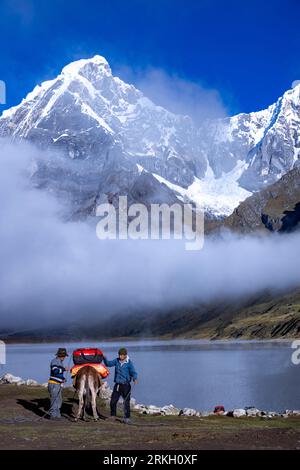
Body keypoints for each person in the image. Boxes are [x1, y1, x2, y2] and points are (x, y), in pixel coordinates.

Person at [103, 347, 138, 424]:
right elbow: (108, 364)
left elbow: (133, 372)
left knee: (126, 402)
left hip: (126, 385)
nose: (120, 357)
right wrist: (104, 358)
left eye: (122, 355)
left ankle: (127, 418)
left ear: (125, 355)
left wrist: (135, 378)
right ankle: (112, 416)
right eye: (119, 355)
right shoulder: (116, 361)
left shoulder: (129, 363)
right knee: (113, 401)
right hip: (117, 385)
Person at [47, 347, 69, 420]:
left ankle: (57, 415)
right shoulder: (54, 361)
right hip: (53, 384)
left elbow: (57, 375)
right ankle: (53, 416)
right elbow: (55, 371)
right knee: (54, 400)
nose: (65, 357)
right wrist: (64, 369)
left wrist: (62, 379)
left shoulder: (60, 362)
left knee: (59, 400)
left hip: (57, 384)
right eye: (65, 356)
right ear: (61, 355)